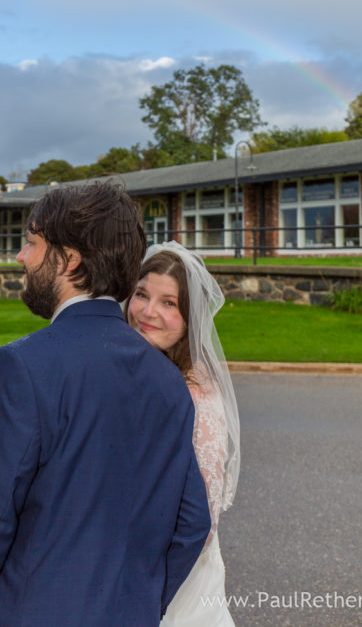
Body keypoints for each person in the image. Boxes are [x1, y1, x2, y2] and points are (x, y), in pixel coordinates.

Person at [0, 184, 211, 627]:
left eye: (33, 243)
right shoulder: (168, 380)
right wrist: (138, 605)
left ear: (69, 260)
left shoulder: (22, 366)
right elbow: (190, 523)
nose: (22, 257)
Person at [127, 241, 240, 626]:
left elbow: (199, 523)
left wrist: (143, 588)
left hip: (172, 582)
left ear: (192, 318)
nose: (147, 312)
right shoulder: (137, 372)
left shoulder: (197, 397)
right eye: (141, 295)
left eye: (169, 303)